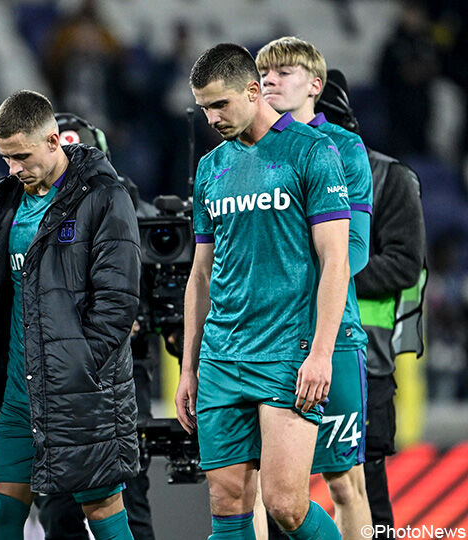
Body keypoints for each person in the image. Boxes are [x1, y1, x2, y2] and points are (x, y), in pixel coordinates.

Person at [177, 43, 350, 540]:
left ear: (254, 92)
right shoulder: (211, 170)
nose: (211, 118)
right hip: (221, 358)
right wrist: (190, 367)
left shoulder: (311, 153)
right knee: (227, 505)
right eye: (204, 107)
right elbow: (201, 275)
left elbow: (335, 260)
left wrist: (320, 353)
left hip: (284, 354)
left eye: (220, 104)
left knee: (285, 506)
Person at [0, 89, 140, 540]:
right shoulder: (5, 201)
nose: (13, 169)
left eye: (21, 156)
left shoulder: (103, 196)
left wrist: (76, 367)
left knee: (104, 515)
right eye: (5, 158)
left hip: (81, 394)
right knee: (0, 517)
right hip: (18, 398)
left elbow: (118, 303)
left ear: (54, 142)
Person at [254, 37, 373, 540]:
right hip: (260, 343)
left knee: (345, 483)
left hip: (331, 338)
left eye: (283, 72)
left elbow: (356, 250)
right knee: (256, 484)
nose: (270, 81)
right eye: (264, 75)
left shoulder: (344, 150)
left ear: (315, 85)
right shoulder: (250, 151)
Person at [32, 112, 156, 540]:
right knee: (59, 512)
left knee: (126, 500)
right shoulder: (26, 214)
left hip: (117, 377)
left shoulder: (126, 208)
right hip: (57, 381)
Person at [316, 69, 427, 539]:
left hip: (368, 357)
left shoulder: (390, 177)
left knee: (365, 485)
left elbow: (405, 266)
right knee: (284, 486)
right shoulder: (283, 172)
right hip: (293, 351)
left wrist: (327, 272)